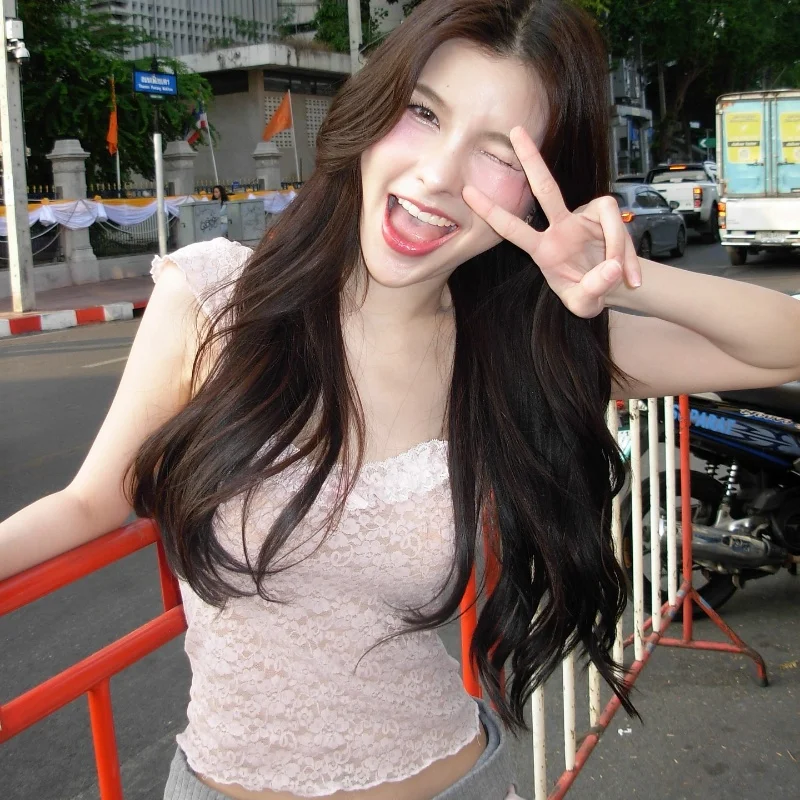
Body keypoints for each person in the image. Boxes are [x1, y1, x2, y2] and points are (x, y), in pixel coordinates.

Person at [2, 1, 799, 798]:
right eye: (424, 113)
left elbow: (782, 343)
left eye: (500, 155)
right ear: (373, 109)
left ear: (539, 196)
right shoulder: (215, 301)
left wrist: (620, 274)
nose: (439, 176)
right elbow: (89, 503)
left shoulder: (516, 346)